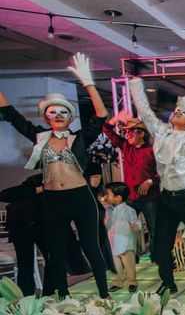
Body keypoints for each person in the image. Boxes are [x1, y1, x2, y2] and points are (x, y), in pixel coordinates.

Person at [0, 53, 109, 299]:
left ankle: (105, 295)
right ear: (45, 117)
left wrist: (88, 83)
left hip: (80, 197)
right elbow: (11, 114)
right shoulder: (40, 137)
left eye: (63, 112)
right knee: (56, 252)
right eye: (53, 111)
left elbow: (101, 116)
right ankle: (62, 298)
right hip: (52, 200)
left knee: (91, 247)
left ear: (70, 117)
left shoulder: (79, 138)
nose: (58, 114)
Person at [129, 77, 185, 295]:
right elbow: (145, 112)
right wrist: (136, 86)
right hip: (166, 198)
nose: (176, 113)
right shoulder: (161, 132)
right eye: (176, 111)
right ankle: (167, 282)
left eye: (182, 113)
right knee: (161, 244)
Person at [102, 116, 159, 259]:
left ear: (141, 133)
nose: (127, 135)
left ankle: (157, 256)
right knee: (126, 228)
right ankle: (130, 256)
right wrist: (114, 119)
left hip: (150, 198)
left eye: (131, 132)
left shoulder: (153, 149)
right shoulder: (126, 147)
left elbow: (164, 171)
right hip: (130, 197)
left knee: (154, 229)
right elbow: (107, 131)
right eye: (126, 132)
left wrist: (151, 181)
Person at [103, 182, 141, 293]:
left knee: (129, 265)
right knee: (115, 266)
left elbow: (135, 221)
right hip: (112, 242)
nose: (105, 197)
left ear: (118, 198)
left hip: (126, 243)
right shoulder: (108, 210)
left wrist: (136, 225)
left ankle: (132, 281)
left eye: (108, 194)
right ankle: (117, 281)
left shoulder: (129, 210)